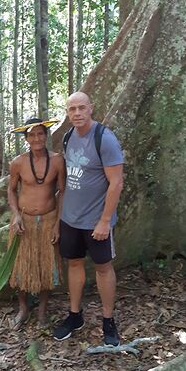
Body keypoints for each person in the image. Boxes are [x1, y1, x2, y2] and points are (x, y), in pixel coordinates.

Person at [53, 92, 124, 346]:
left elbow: (116, 183)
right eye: (72, 109)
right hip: (71, 218)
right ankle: (75, 315)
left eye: (81, 108)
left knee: (103, 268)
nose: (77, 113)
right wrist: (60, 217)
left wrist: (105, 220)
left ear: (91, 109)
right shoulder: (68, 137)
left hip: (96, 221)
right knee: (74, 264)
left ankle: (108, 320)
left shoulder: (104, 138)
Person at [8, 117, 66, 329]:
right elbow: (11, 190)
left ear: (46, 135)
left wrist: (58, 223)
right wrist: (15, 215)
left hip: (49, 219)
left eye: (40, 133)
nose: (36, 138)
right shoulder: (18, 163)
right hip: (24, 222)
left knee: (46, 266)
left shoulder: (58, 160)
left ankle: (42, 310)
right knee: (21, 266)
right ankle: (23, 308)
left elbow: (62, 192)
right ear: (26, 138)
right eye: (31, 135)